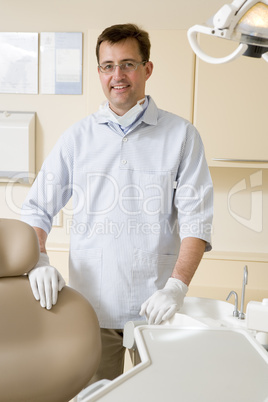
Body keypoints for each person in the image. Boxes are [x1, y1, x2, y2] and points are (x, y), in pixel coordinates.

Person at [21, 23, 213, 382]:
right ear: (99, 73)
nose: (118, 75)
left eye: (127, 63)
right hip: (91, 311)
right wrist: (38, 262)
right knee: (92, 396)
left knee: (157, 395)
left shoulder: (182, 136)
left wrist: (176, 288)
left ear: (147, 69)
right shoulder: (77, 138)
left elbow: (196, 222)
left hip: (157, 311)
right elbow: (36, 209)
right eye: (108, 66)